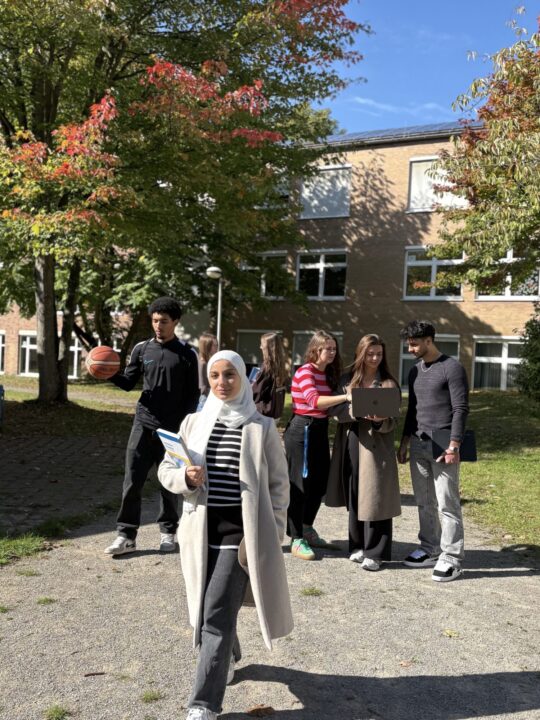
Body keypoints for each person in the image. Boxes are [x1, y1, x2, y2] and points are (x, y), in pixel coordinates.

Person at [158, 350, 293, 720]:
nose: (222, 382)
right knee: (205, 611)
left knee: (215, 614)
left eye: (230, 375)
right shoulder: (193, 423)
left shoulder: (261, 427)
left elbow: (279, 486)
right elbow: (167, 469)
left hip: (240, 536)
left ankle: (204, 703)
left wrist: (273, 532)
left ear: (244, 379)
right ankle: (227, 655)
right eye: (215, 375)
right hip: (199, 536)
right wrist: (185, 478)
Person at [104, 297, 199, 556]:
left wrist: (184, 428)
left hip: (171, 430)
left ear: (175, 322)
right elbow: (128, 382)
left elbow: (193, 396)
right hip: (143, 424)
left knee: (168, 482)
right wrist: (108, 373)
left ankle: (168, 532)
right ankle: (126, 535)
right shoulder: (142, 349)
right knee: (132, 480)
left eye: (164, 321)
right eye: (155, 321)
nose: (158, 325)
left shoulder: (187, 354)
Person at [397, 320, 469, 583]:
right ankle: (430, 548)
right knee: (424, 501)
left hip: (443, 444)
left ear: (429, 340)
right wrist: (404, 441)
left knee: (447, 503)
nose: (410, 349)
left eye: (415, 344)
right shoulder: (415, 371)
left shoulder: (452, 368)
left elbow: (461, 409)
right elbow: (413, 410)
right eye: (409, 344)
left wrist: (454, 445)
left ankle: (452, 558)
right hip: (418, 443)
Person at [327, 334, 401, 571]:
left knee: (376, 497)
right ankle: (357, 545)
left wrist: (379, 420)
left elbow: (394, 420)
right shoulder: (347, 380)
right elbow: (334, 410)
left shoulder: (388, 383)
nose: (375, 358)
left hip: (377, 448)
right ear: (360, 354)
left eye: (378, 354)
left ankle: (376, 553)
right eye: (370, 354)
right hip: (351, 442)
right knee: (355, 494)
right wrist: (355, 411)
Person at [284, 330, 351, 561]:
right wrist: (346, 397)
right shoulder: (305, 372)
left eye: (334, 349)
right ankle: (296, 538)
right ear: (316, 349)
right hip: (302, 430)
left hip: (320, 429)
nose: (332, 352)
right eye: (327, 349)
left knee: (320, 483)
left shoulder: (328, 374)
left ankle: (306, 528)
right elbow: (315, 401)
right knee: (300, 484)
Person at [251, 332, 288, 419]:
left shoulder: (267, 367)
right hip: (276, 411)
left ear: (267, 347)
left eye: (262, 344)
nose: (260, 347)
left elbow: (256, 393)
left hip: (264, 414)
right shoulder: (280, 365)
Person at [197, 332, 218, 411]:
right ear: (206, 346)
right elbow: (203, 386)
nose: (216, 347)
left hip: (210, 397)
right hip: (205, 398)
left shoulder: (209, 361)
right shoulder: (203, 363)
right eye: (214, 345)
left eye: (217, 345)